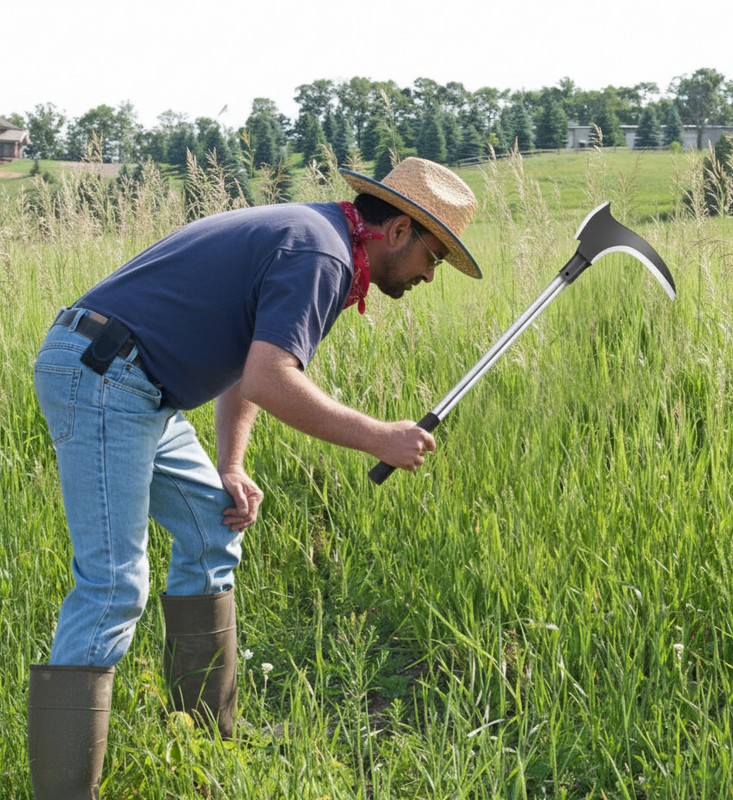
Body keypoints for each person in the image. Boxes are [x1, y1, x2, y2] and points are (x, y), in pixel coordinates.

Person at [28, 157, 482, 798]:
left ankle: (201, 737)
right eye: (432, 256)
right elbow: (271, 379)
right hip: (106, 377)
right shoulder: (323, 255)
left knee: (213, 524)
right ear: (399, 229)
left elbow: (249, 367)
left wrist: (231, 465)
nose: (430, 275)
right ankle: (64, 791)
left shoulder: (321, 238)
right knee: (112, 588)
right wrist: (380, 436)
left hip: (135, 384)